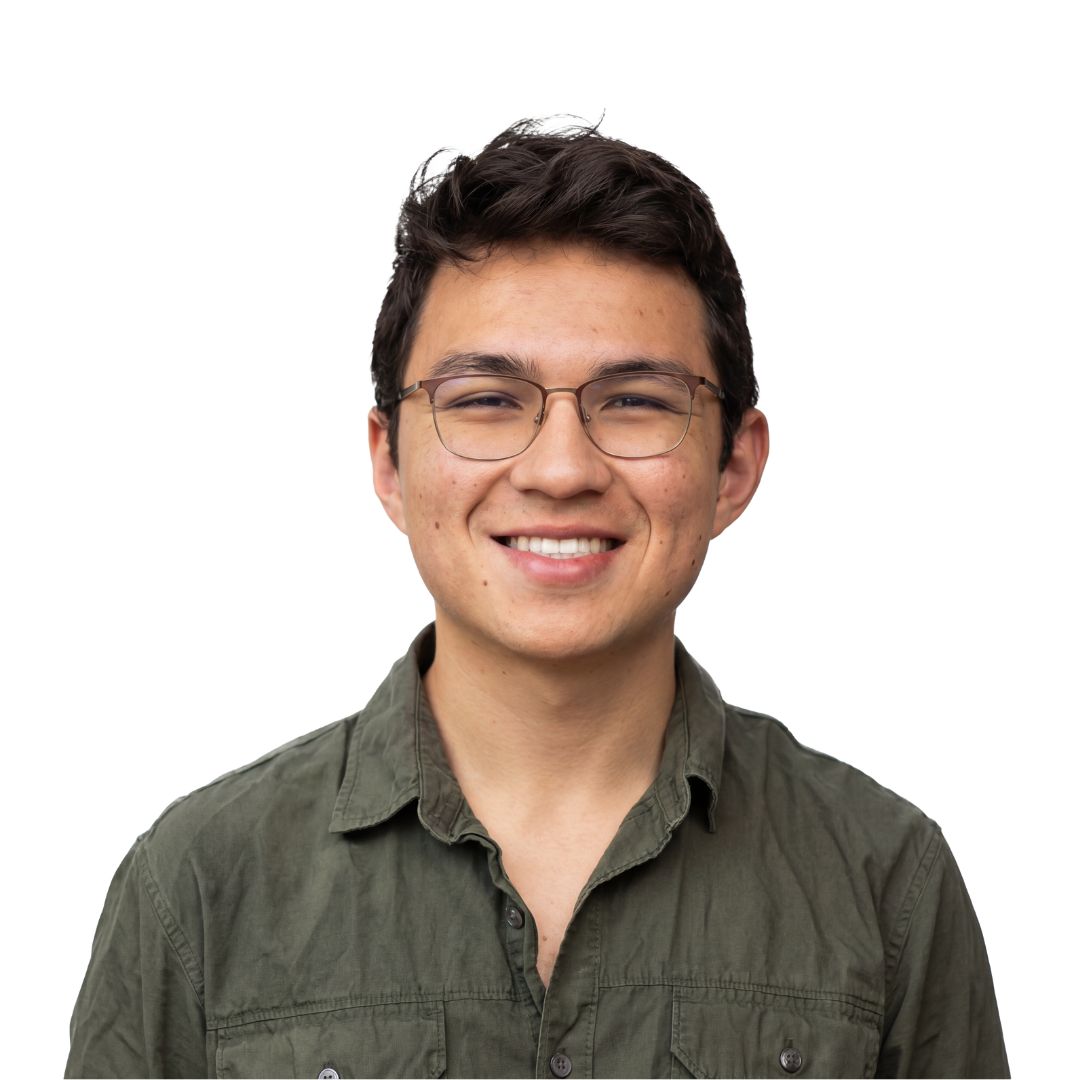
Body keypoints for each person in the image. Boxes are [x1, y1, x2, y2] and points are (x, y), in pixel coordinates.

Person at [66, 121, 1008, 1079]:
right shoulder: (196, 886)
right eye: (486, 400)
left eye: (636, 400)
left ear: (734, 466)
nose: (560, 469)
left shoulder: (885, 881)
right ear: (390, 461)